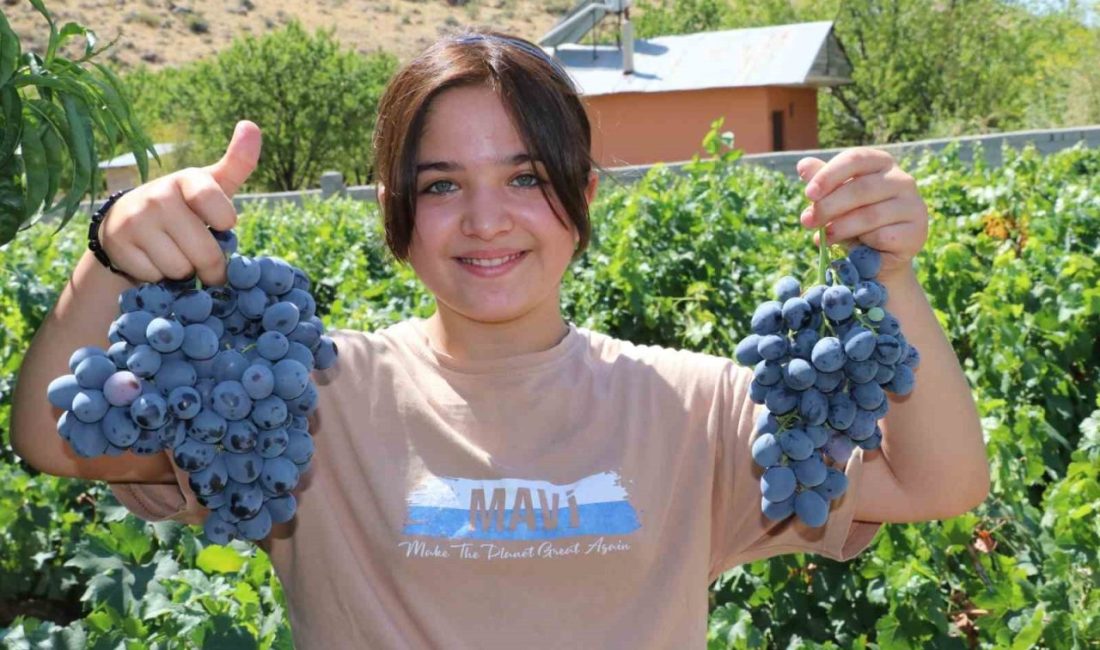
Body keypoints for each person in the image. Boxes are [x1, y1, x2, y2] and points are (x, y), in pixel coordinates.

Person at [10, 28, 990, 649]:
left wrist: (889, 275)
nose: (486, 220)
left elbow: (937, 482)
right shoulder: (306, 396)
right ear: (396, 211)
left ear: (582, 198)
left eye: (524, 178)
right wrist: (113, 249)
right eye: (442, 184)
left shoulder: (693, 405)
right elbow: (53, 436)